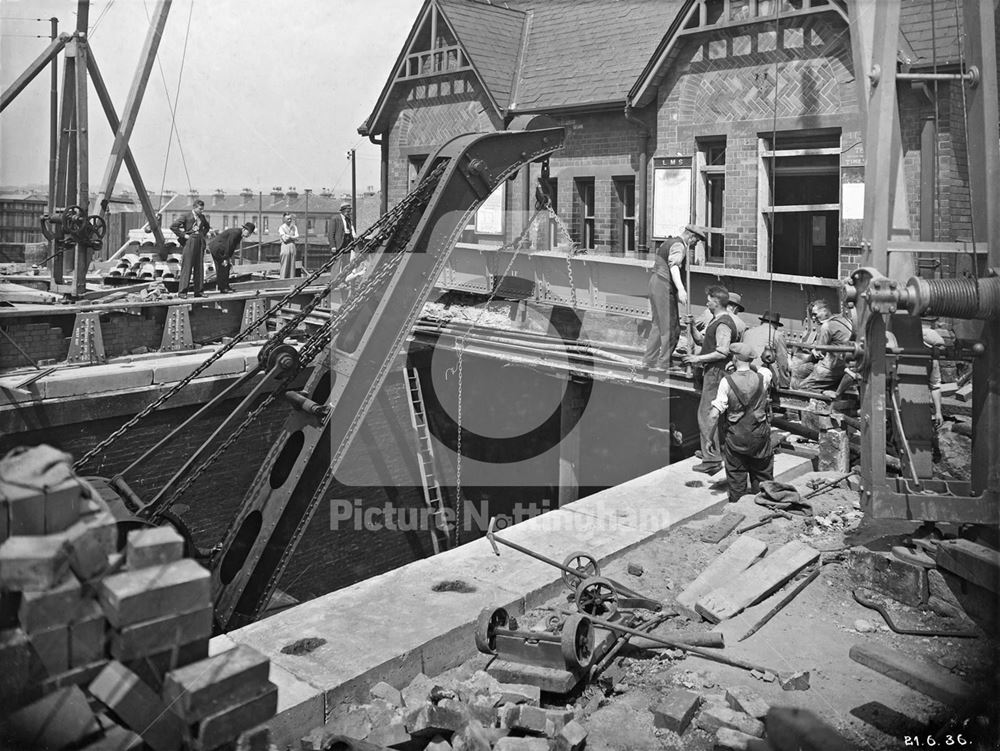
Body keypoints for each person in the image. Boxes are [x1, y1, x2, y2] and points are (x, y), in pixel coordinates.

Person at [707, 342, 775, 503]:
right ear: (750, 360)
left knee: (736, 476)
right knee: (762, 473)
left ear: (734, 358)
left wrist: (710, 438)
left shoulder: (727, 382)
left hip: (736, 436)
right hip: (759, 435)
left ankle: (738, 506)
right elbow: (763, 369)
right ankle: (763, 504)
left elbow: (714, 416)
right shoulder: (763, 377)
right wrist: (750, 365)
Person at [684, 285, 738, 474]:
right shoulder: (716, 321)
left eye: (708, 299)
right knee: (714, 414)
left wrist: (696, 359)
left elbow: (722, 351)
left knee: (707, 414)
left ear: (716, 301)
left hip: (717, 373)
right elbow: (702, 341)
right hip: (713, 371)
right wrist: (690, 326)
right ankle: (714, 450)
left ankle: (711, 459)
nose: (706, 302)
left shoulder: (723, 323)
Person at [641, 225, 699, 371]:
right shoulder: (679, 245)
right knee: (671, 327)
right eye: (696, 241)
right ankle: (664, 363)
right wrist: (681, 289)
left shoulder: (667, 242)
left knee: (658, 325)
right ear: (690, 237)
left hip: (655, 282)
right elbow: (673, 266)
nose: (695, 245)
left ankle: (649, 360)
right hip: (664, 285)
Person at [799, 299, 855, 392]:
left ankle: (823, 397)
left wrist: (812, 350)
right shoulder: (844, 320)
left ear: (825, 311)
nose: (813, 318)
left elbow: (819, 353)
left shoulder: (826, 326)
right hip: (846, 365)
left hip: (832, 367)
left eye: (815, 314)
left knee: (803, 386)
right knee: (805, 369)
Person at [170, 200, 211, 297]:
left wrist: (202, 234)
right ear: (195, 208)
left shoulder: (202, 217)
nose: (202, 211)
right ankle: (182, 292)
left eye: (203, 209)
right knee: (187, 267)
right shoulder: (186, 216)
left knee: (199, 267)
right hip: (190, 242)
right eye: (200, 209)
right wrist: (183, 235)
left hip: (199, 242)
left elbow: (207, 227)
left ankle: (199, 291)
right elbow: (173, 226)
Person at [743, 310, 790, 388]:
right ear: (776, 325)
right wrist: (784, 383)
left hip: (744, 370)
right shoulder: (778, 335)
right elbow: (782, 361)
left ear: (762, 322)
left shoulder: (748, 332)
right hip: (762, 373)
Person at [208, 222, 254, 293]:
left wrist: (228, 258)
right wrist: (225, 259)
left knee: (222, 267)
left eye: (250, 233)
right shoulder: (235, 233)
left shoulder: (239, 234)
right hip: (218, 248)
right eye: (248, 232)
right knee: (224, 267)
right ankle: (224, 288)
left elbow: (232, 248)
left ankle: (223, 287)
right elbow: (229, 246)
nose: (249, 235)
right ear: (244, 229)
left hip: (219, 248)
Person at [278, 213, 299, 279]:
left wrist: (289, 236)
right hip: (285, 247)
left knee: (292, 266)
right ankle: (282, 281)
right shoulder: (281, 228)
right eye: (288, 219)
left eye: (290, 219)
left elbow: (297, 237)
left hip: (292, 247)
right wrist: (293, 237)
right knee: (284, 265)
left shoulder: (294, 227)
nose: (290, 220)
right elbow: (285, 239)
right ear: (284, 219)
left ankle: (291, 283)